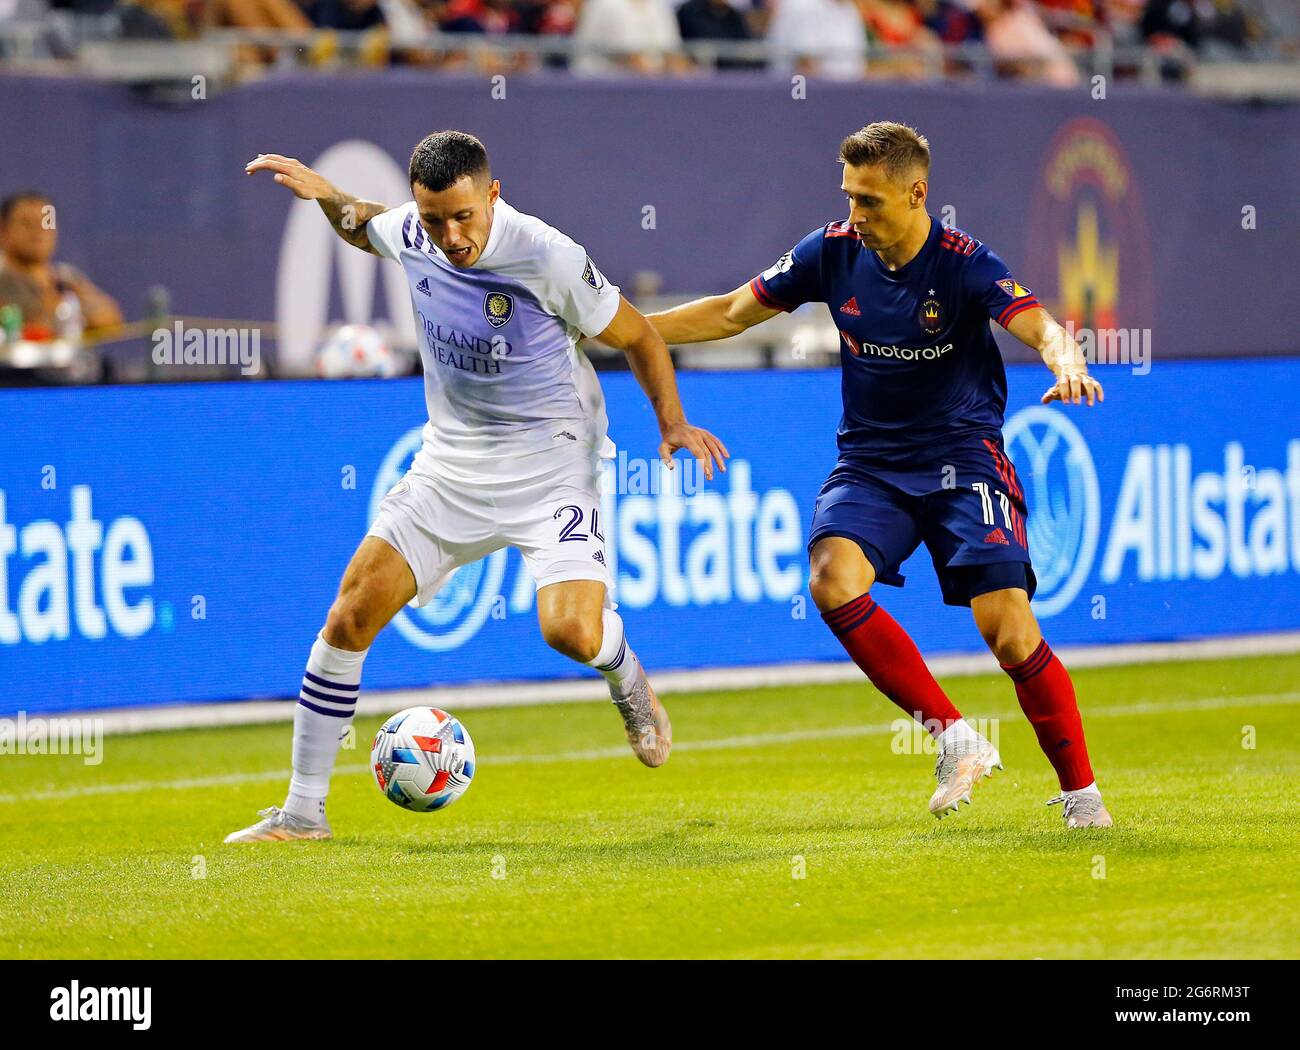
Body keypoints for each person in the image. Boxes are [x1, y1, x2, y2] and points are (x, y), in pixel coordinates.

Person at [226, 131, 728, 843]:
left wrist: (672, 425)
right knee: (349, 614)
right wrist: (324, 194)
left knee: (570, 631)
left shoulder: (547, 253)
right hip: (451, 466)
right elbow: (365, 225)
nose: (450, 236)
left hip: (554, 467)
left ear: (493, 195)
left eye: (464, 216)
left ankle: (626, 674)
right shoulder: (414, 230)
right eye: (435, 220)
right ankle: (303, 813)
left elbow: (639, 334)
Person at [647, 122, 1112, 830]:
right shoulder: (830, 252)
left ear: (916, 193)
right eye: (849, 198)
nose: (855, 216)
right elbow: (729, 314)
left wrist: (1065, 357)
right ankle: (957, 739)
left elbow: (1036, 322)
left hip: (963, 458)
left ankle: (1083, 798)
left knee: (1010, 634)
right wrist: (619, 326)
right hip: (870, 464)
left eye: (870, 201)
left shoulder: (964, 263)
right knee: (831, 579)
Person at [0, 191, 123, 340]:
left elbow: (111, 320)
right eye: (26, 223)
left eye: (46, 223)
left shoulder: (66, 277)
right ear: (3, 230)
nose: (38, 231)